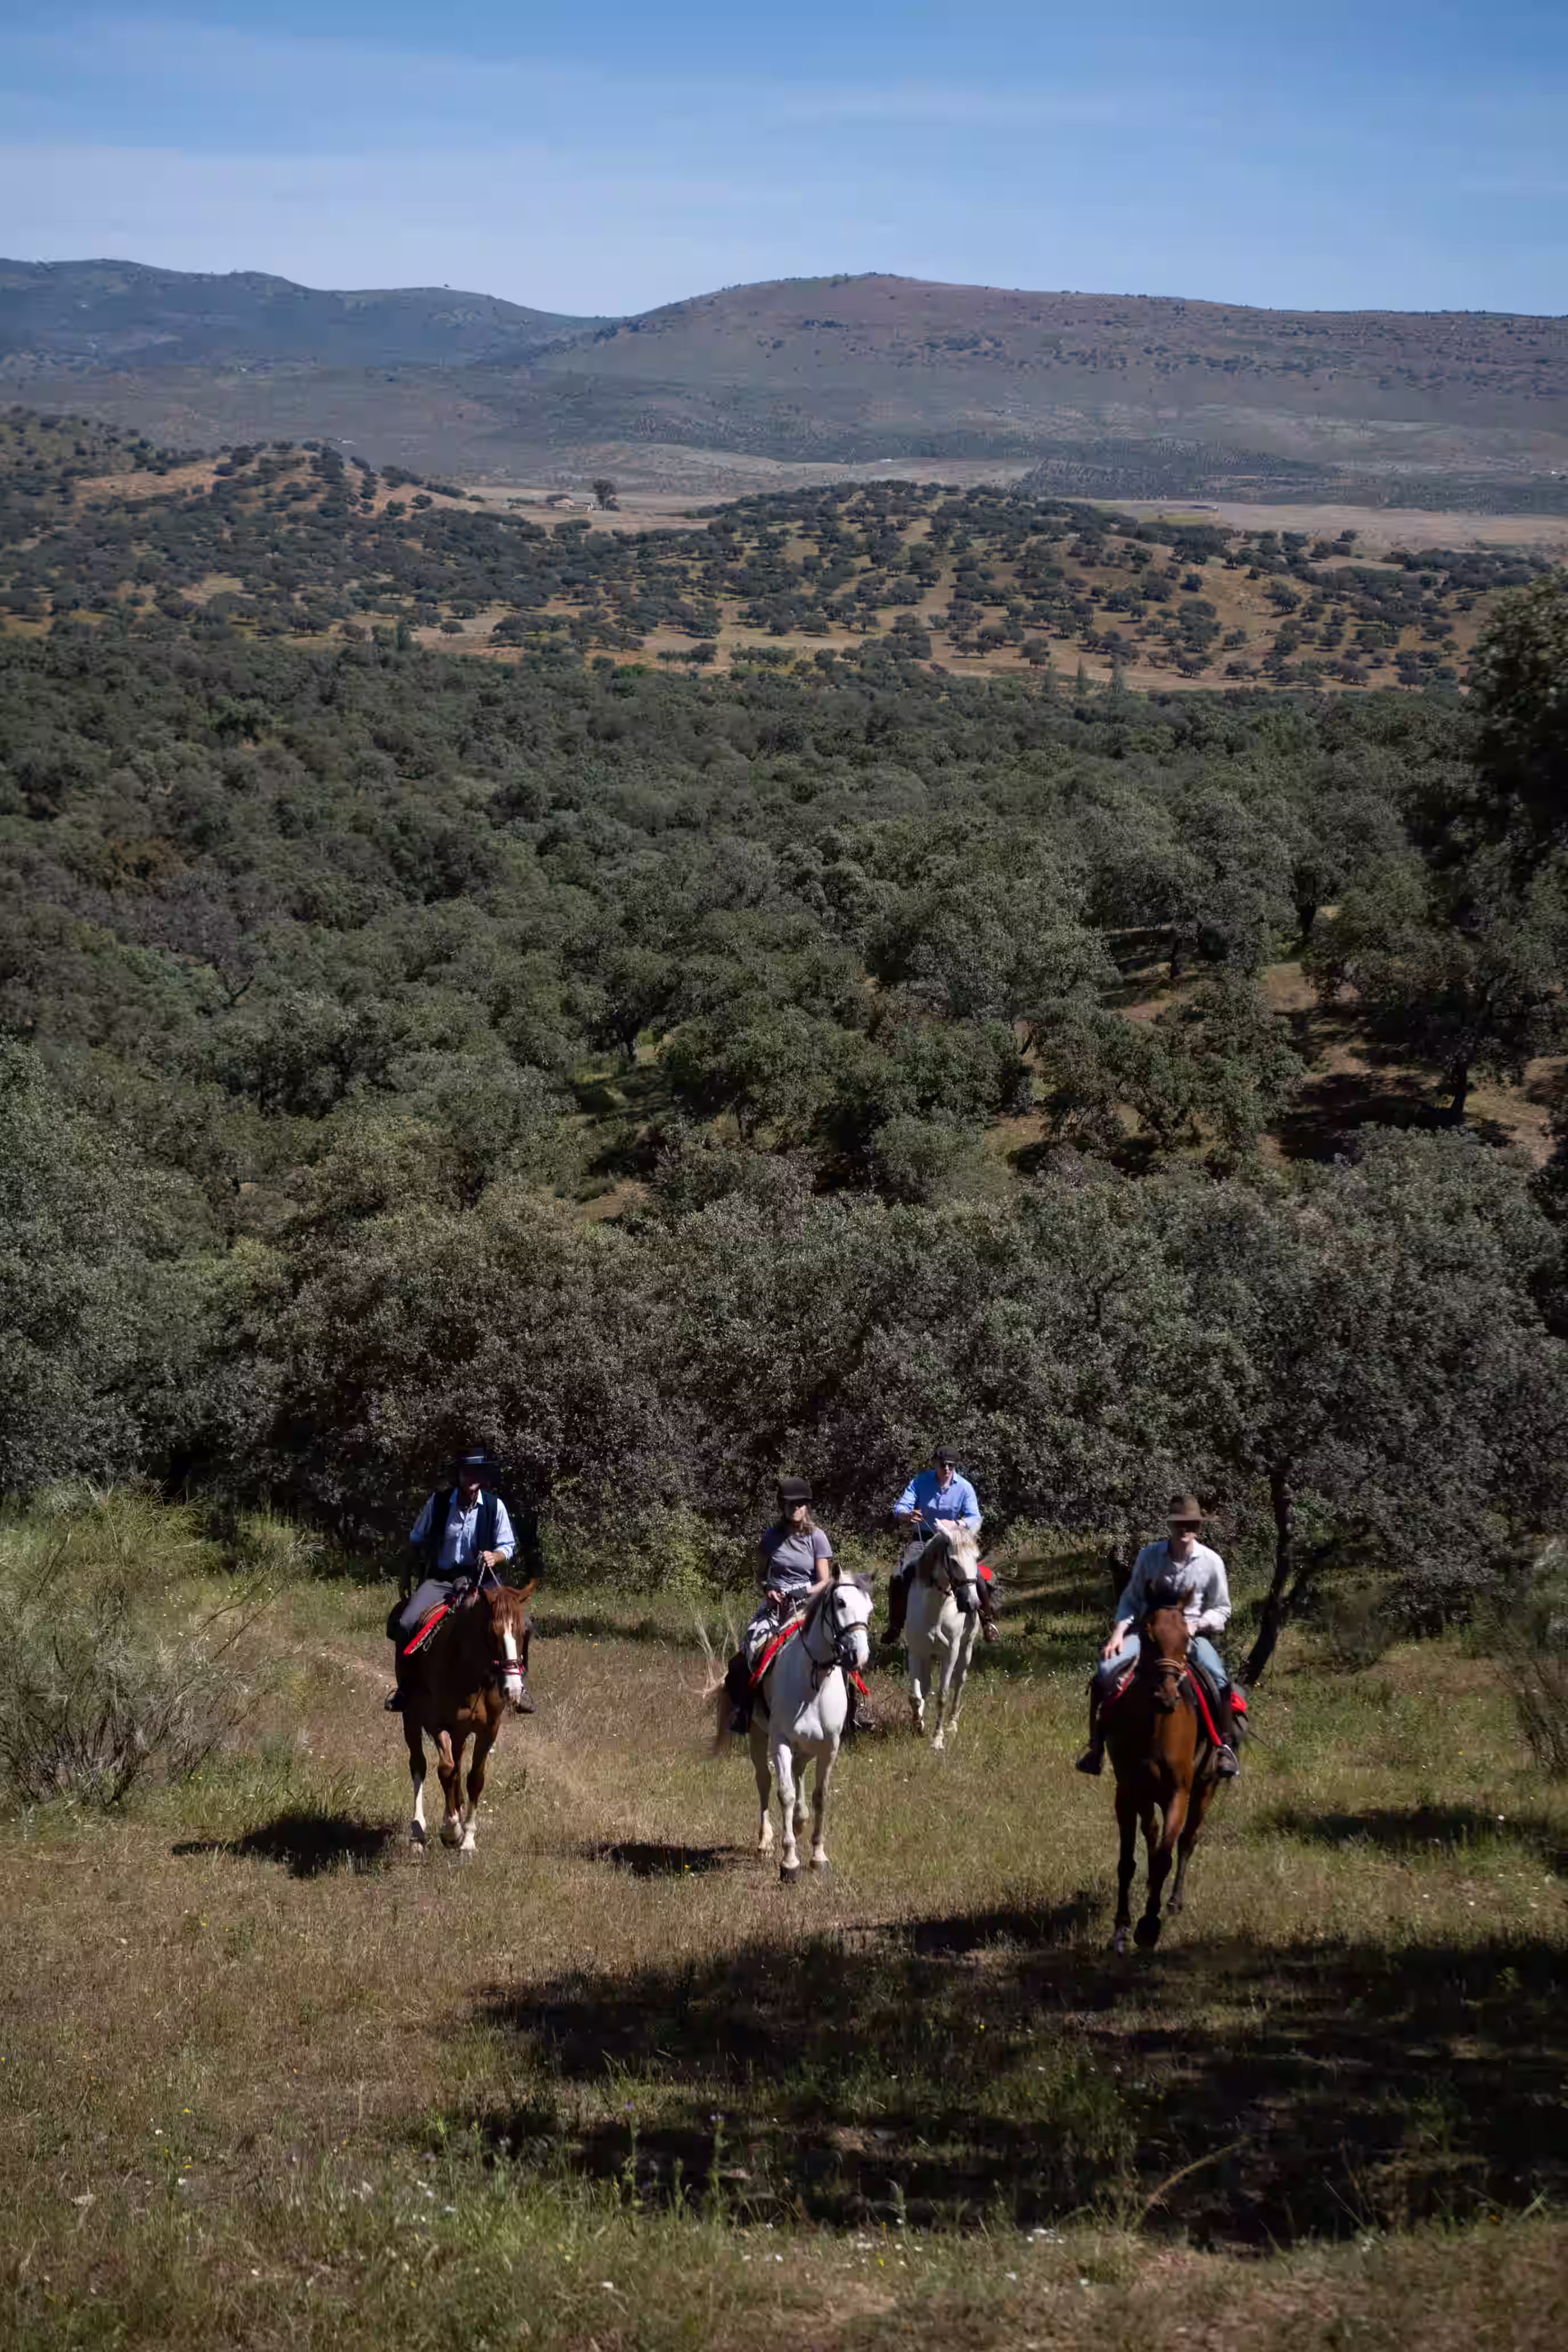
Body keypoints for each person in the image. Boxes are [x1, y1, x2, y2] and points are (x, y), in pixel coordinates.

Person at [1075, 1493, 1238, 1778]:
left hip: (1191, 1635)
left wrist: (1196, 1625)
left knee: (1218, 1675)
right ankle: (1096, 1748)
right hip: (1147, 1632)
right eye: (1180, 1524)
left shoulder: (1211, 1562)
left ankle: (1223, 1746)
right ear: (1171, 1526)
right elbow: (1131, 1598)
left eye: (1192, 1524)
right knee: (1106, 1669)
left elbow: (1222, 1609)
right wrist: (1118, 1633)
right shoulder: (1149, 1556)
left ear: (1199, 1526)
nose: (1186, 1530)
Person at [384, 1448, 533, 1714]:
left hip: (482, 1582)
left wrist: (495, 1556)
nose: (472, 1477)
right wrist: (405, 1574)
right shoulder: (439, 1503)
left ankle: (519, 1687)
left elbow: (508, 1546)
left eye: (477, 1472)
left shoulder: (494, 1506)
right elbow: (416, 1539)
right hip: (441, 1580)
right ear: (459, 1475)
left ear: (483, 1476)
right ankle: (405, 1689)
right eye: (467, 1472)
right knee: (406, 1623)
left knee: (525, 1625)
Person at [726, 1476, 874, 1733]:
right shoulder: (771, 1537)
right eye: (790, 1504)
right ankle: (744, 1710)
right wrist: (769, 1590)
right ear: (782, 1506)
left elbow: (825, 1581)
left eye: (800, 1504)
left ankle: (852, 1713)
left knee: (838, 1650)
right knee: (748, 1649)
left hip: (811, 1606)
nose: (795, 1508)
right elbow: (761, 1576)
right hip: (776, 1608)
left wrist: (801, 1590)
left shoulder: (817, 1538)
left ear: (807, 1507)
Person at [883, 1447, 997, 1648]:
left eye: (951, 1465)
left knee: (976, 1574)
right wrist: (908, 1515)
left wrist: (959, 1524)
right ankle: (896, 1624)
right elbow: (900, 1507)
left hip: (954, 1539)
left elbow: (974, 1516)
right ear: (935, 1463)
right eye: (943, 1464)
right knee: (899, 1575)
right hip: (923, 1539)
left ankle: (987, 1621)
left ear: (955, 1466)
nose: (946, 1468)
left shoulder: (964, 1487)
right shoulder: (919, 1482)